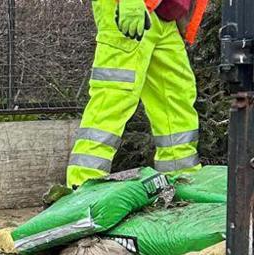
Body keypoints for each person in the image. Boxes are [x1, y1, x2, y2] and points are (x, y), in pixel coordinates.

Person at [66, 0, 209, 188]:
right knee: (114, 96)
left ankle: (182, 180)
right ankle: (81, 188)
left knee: (176, 98)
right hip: (131, 8)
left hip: (165, 15)